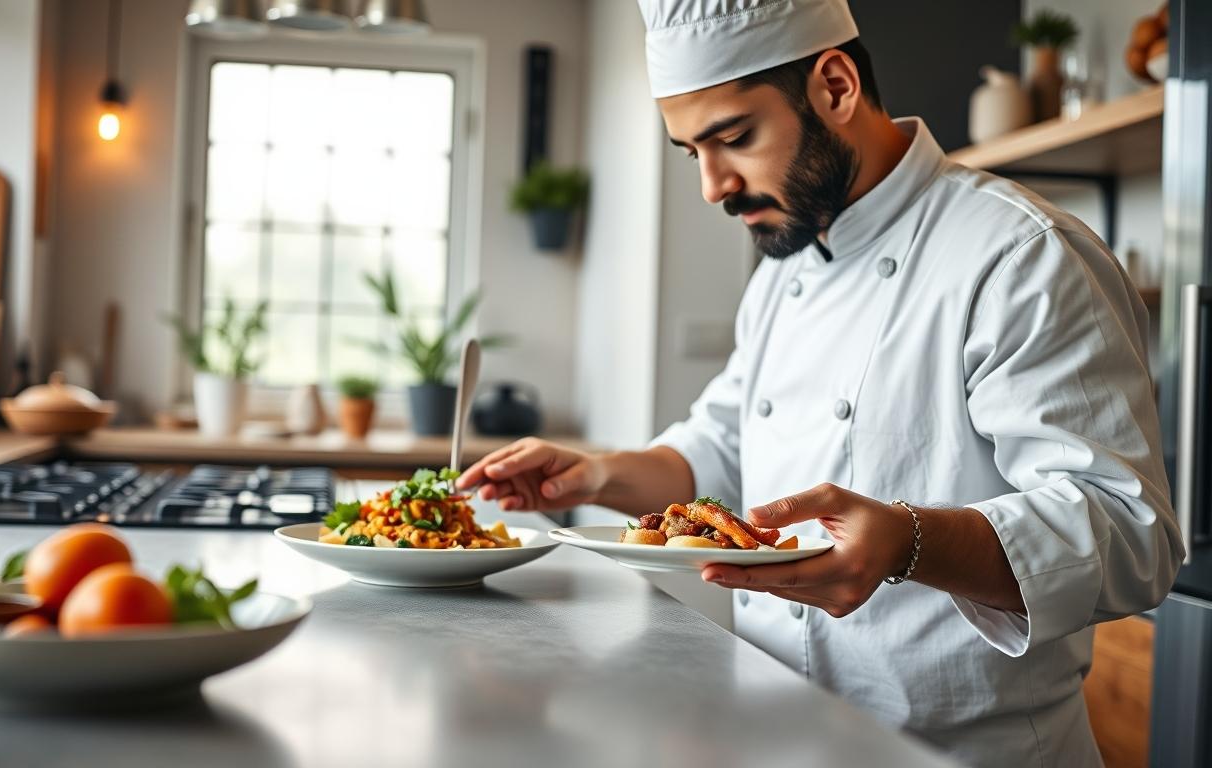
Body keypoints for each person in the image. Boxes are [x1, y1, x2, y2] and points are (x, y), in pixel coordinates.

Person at [458, 1, 1183, 765]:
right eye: (692, 151)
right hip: (777, 734)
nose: (712, 186)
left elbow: (1131, 534)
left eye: (734, 137)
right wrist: (595, 475)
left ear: (836, 86)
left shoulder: (1021, 255)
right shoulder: (786, 270)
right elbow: (720, 449)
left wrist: (909, 542)